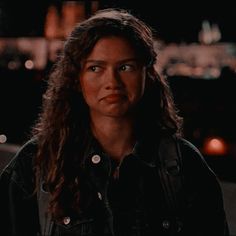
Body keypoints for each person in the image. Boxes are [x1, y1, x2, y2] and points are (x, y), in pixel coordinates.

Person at [0, 8, 229, 236]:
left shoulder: (184, 166)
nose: (112, 81)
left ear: (147, 75)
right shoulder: (34, 166)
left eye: (125, 67)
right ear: (77, 79)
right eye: (95, 68)